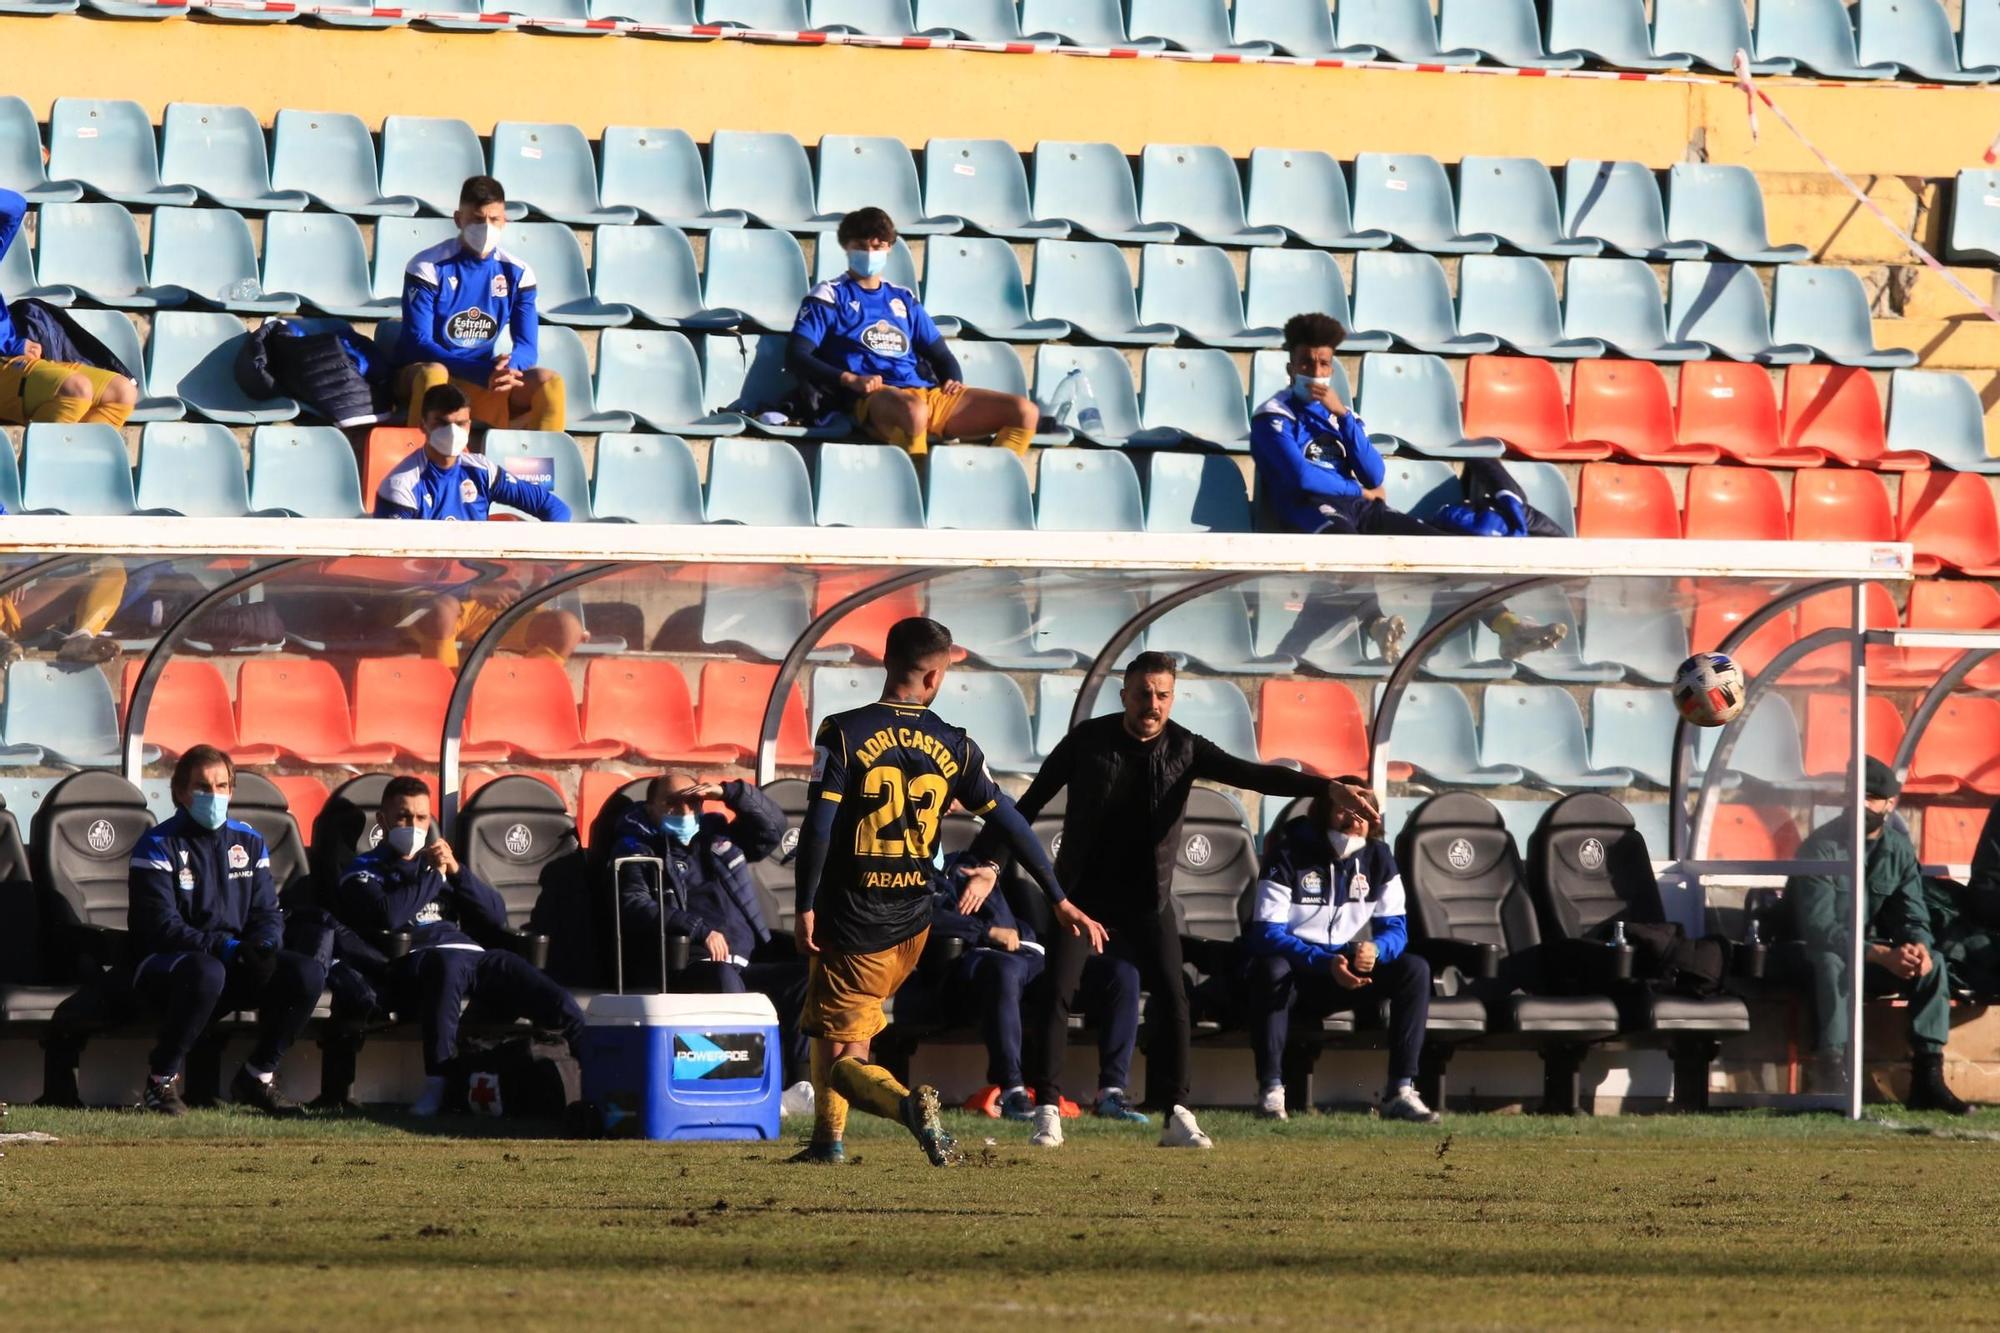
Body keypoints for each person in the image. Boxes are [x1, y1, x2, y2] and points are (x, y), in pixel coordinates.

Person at [969, 651, 1379, 1150]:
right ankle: (1048, 1109)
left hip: (1148, 897)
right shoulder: (1088, 741)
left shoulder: (1185, 747)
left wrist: (1328, 789)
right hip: (1084, 895)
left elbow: (1255, 775)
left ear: (1172, 697)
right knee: (1058, 991)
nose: (1152, 704)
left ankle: (1175, 1112)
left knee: (1173, 995)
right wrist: (988, 863)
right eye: (1143, 693)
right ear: (1125, 695)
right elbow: (1026, 805)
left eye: (1162, 695)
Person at [792, 616, 1107, 1166]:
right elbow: (1010, 821)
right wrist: (1057, 896)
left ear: (887, 662)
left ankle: (910, 1108)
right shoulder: (954, 744)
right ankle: (827, 1141)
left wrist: (804, 905)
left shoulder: (843, 732)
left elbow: (819, 827)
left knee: (848, 1054)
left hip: (855, 915)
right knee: (834, 1021)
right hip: (915, 920)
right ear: (934, 676)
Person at [1251, 311, 1565, 664]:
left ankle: (1509, 628)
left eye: (1323, 364)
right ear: (1290, 368)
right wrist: (1357, 492)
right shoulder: (1273, 415)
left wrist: (1343, 418)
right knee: (1350, 555)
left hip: (1359, 507)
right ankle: (1368, 626)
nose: (1315, 372)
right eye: (1306, 364)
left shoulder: (1337, 413)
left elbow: (1373, 473)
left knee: (1445, 552)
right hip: (1308, 509)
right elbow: (1301, 477)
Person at [334, 775, 585, 1116]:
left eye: (421, 818)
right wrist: (432, 877)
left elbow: (496, 915)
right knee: (447, 966)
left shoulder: (440, 864)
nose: (413, 825)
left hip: (473, 956)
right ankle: (438, 1084)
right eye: (403, 816)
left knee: (549, 993)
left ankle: (593, 1080)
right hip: (414, 960)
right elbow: (389, 915)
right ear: (383, 821)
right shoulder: (363, 870)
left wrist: (456, 871)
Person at [127, 745, 325, 1115]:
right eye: (202, 787)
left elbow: (267, 911)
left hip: (231, 960)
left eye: (221, 786)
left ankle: (258, 1076)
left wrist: (264, 946)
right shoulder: (157, 844)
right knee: (207, 969)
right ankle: (160, 1082)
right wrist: (229, 947)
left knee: (307, 972)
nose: (213, 795)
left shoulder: (249, 842)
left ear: (232, 790)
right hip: (167, 966)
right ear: (181, 793)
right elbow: (161, 927)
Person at [606, 770, 811, 1108]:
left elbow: (773, 826)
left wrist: (728, 792)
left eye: (693, 801)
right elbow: (633, 904)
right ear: (652, 807)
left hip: (746, 961)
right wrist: (697, 928)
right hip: (688, 964)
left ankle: (799, 1087)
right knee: (723, 976)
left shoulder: (718, 835)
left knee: (804, 978)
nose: (684, 811)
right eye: (673, 803)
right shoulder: (636, 847)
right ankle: (748, 1084)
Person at [1783, 758, 1973, 1114]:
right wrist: (1881, 954)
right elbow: (1819, 929)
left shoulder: (1897, 850)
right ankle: (1829, 1073)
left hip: (1866, 954)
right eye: (1857, 795)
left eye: (1872, 797)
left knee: (1933, 966)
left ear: (1890, 803)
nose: (1863, 805)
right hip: (1806, 954)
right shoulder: (1821, 847)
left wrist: (1918, 946)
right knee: (1832, 961)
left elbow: (1913, 912)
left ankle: (1927, 1079)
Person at [1246, 784, 1438, 1123]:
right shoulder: (1288, 855)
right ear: (1323, 812)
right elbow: (1265, 933)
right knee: (1271, 969)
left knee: (1414, 969)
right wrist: (1323, 962)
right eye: (1345, 808)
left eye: (1364, 812)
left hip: (1346, 971)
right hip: (1299, 971)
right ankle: (1271, 1092)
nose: (1354, 819)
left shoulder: (1380, 858)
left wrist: (1376, 950)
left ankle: (1400, 1092)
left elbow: (1396, 928)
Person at [786, 206, 1039, 458]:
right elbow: (797, 355)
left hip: (926, 394)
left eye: (877, 246)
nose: (870, 253)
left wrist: (952, 377)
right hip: (875, 397)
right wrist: (850, 380)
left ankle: (992, 483)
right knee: (913, 412)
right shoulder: (829, 294)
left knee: (1024, 411)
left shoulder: (902, 298)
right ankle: (917, 488)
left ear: (889, 248)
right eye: (862, 246)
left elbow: (940, 354)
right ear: (846, 247)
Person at [376, 384, 582, 667]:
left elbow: (557, 510)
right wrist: (471, 591)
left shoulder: (481, 470)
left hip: (483, 599)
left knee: (565, 627)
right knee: (444, 610)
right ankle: (446, 700)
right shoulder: (401, 485)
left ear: (469, 424)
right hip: (422, 601)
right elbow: (394, 569)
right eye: (442, 423)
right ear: (423, 425)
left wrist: (542, 570)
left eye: (460, 423)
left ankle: (517, 698)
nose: (452, 432)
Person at [391, 175, 564, 431]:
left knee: (550, 383)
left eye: (494, 219)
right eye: (477, 219)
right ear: (459, 219)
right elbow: (419, 344)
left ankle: (539, 466)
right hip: (422, 374)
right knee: (434, 372)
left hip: (483, 375)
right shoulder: (426, 267)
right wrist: (480, 373)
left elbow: (528, 347)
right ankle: (416, 456)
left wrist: (508, 368)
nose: (486, 227)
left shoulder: (518, 273)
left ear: (505, 221)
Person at [896, 853, 1047, 1120]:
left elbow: (1010, 833)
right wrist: (985, 931)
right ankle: (1013, 1091)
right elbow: (916, 917)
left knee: (1121, 976)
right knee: (1004, 971)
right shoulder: (906, 871)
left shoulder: (968, 860)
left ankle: (1110, 1092)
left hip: (1030, 950)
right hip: (976, 960)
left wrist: (991, 870)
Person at [0, 187, 140, 434]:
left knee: (121, 392)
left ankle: (75, 463)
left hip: (13, 358)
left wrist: (14, 345)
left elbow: (15, 207)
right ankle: (48, 464)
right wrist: (12, 345)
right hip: (7, 359)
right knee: (75, 389)